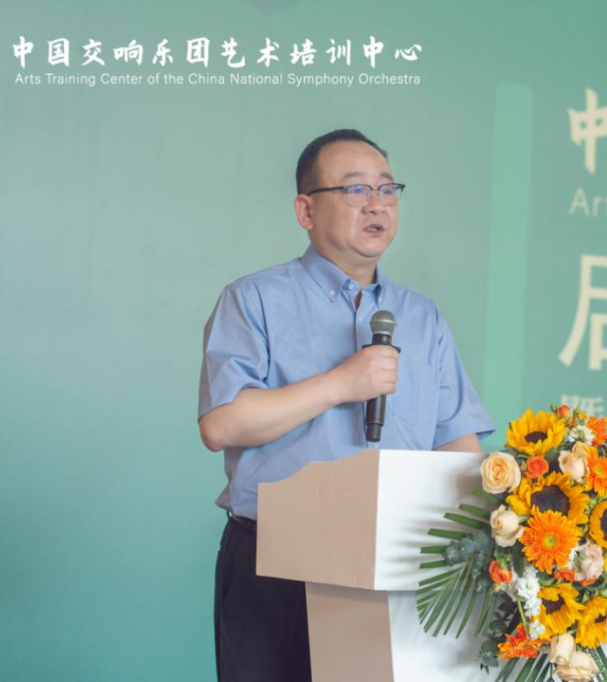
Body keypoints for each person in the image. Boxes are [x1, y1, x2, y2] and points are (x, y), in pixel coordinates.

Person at [197, 128, 495, 682]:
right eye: (355, 189)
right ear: (306, 210)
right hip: (275, 560)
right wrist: (340, 384)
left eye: (387, 189)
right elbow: (222, 424)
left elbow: (455, 441)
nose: (377, 204)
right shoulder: (255, 298)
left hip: (400, 562)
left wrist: (479, 543)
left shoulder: (423, 317)